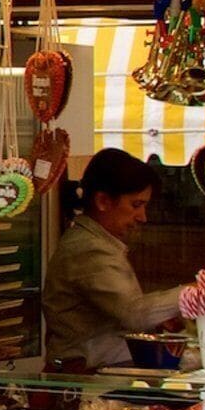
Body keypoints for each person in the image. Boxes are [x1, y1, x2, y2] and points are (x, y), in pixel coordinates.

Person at [46, 149, 190, 367]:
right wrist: (195, 293)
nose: (142, 217)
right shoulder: (88, 250)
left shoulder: (99, 243)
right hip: (86, 379)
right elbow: (134, 314)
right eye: (136, 205)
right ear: (103, 201)